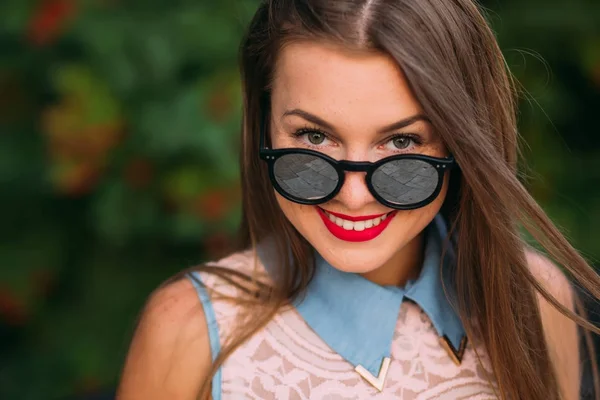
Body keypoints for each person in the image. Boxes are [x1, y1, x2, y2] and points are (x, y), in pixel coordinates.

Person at [116, 0, 600, 399]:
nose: (353, 196)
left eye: (403, 143)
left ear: (462, 140)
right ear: (263, 122)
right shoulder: (187, 331)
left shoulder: (537, 304)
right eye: (313, 137)